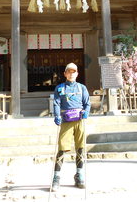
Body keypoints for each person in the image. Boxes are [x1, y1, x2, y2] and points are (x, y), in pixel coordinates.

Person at [51, 62, 90, 191]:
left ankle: (79, 174)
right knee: (62, 148)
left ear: (77, 74)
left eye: (74, 72)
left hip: (79, 120)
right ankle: (56, 177)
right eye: (69, 72)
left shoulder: (82, 88)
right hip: (66, 120)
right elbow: (56, 103)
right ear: (65, 74)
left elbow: (87, 103)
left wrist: (86, 113)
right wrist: (57, 116)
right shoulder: (60, 88)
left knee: (80, 148)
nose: (71, 74)